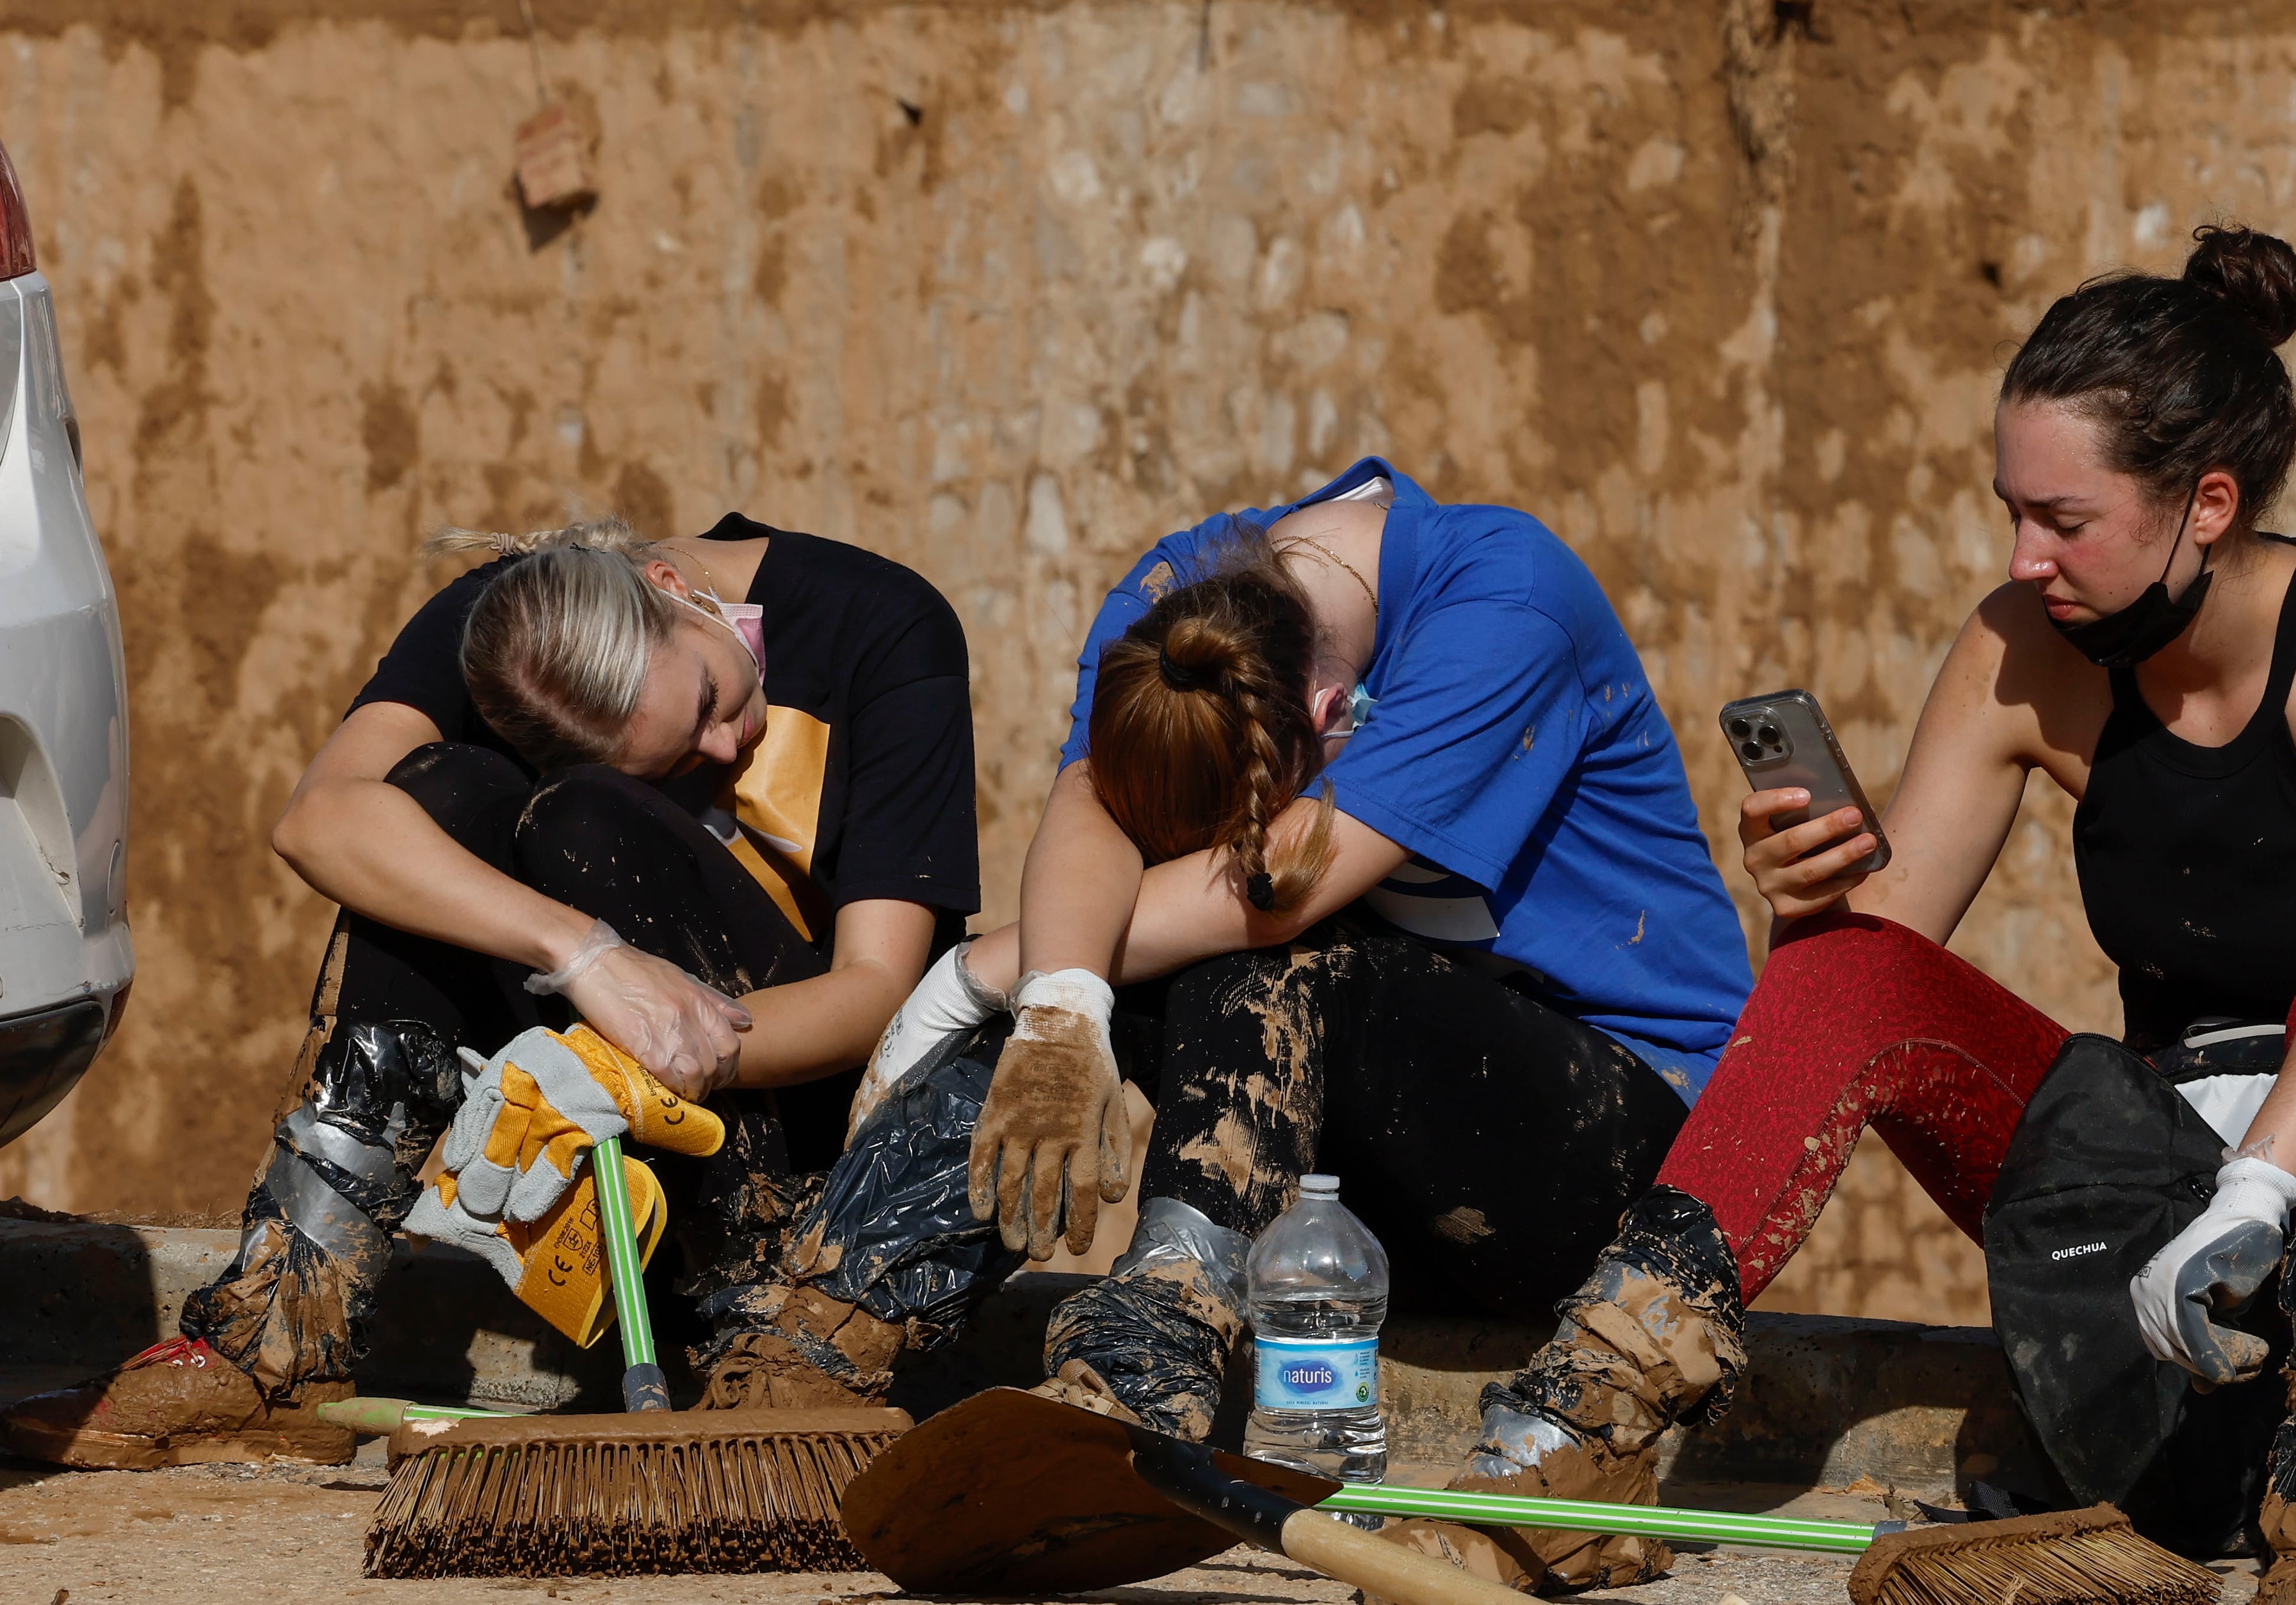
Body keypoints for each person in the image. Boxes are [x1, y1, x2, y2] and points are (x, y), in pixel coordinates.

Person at [1388, 231, 2296, 1605]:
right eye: (2012, 510)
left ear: (2205, 504)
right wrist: (1807, 903)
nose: (2025, 555)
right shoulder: (2023, 644)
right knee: (1844, 970)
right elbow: (1875, 985)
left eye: (2065, 518)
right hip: (2177, 1184)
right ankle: (1583, 1428)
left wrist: (2265, 1176)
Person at [697, 456, 1758, 1444]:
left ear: (1335, 715)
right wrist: (1055, 1003)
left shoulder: (1503, 609)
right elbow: (1089, 817)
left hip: (1613, 1154)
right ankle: (821, 1332)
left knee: (1237, 952)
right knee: (1092, 967)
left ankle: (1153, 1354)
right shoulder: (1172, 609)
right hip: (1362, 1174)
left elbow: (1271, 896)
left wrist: (978, 971)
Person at [4, 515, 978, 1467]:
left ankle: (761, 1330)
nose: (726, 749)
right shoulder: (506, 624)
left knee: (586, 815)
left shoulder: (883, 625)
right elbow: (321, 818)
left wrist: (637, 1067)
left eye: (713, 699)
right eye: (689, 747)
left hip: (784, 1134)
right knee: (436, 792)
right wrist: (582, 952)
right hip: (582, 1131)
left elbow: (879, 989)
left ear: (674, 591)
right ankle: (284, 1329)